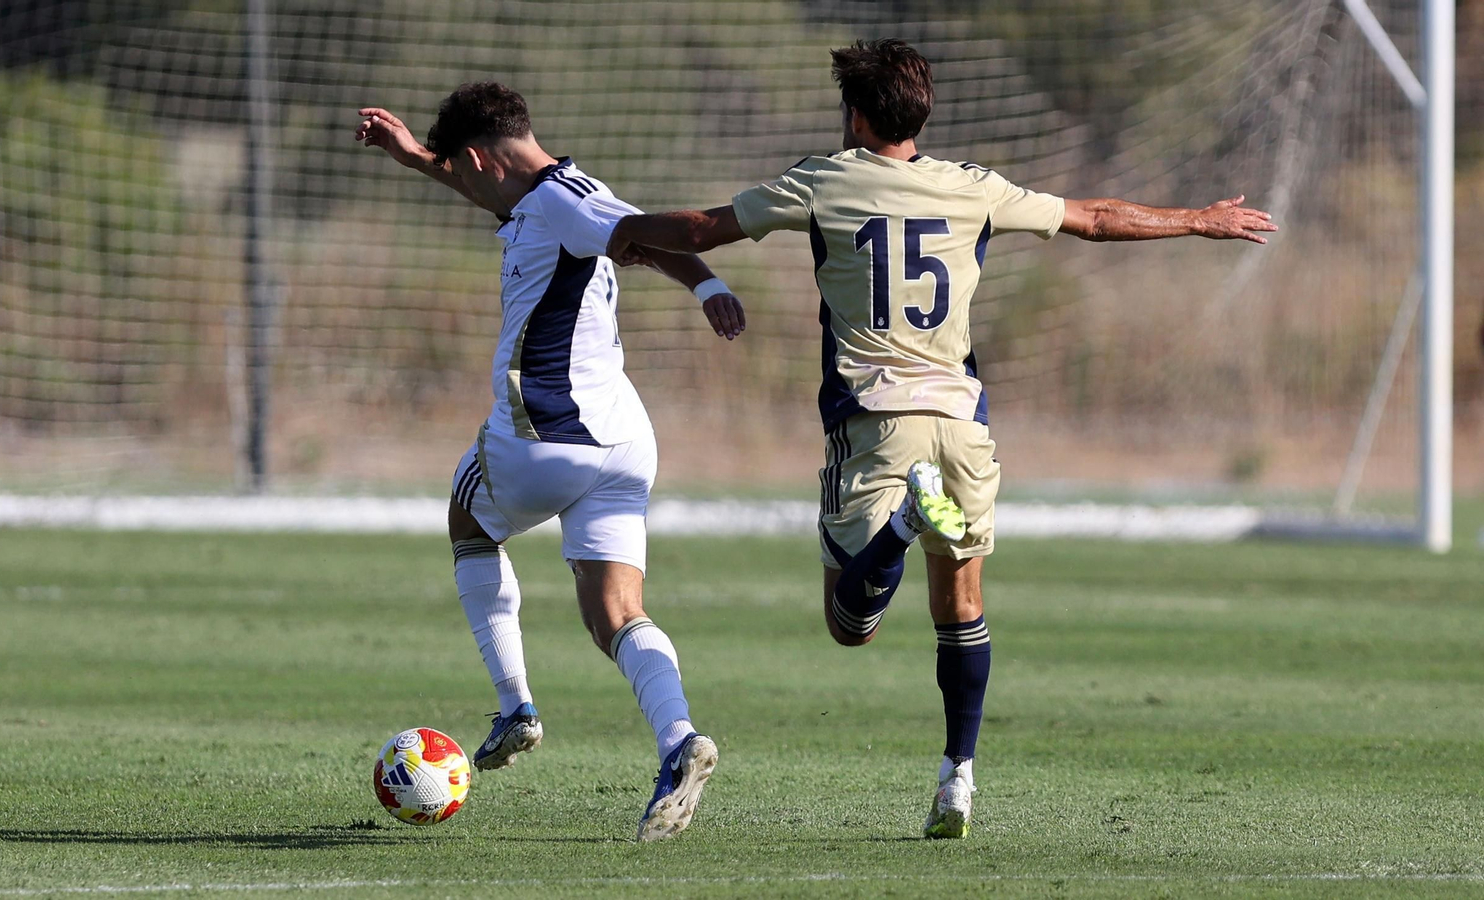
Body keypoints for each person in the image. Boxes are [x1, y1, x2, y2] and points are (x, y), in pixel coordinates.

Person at [604, 38, 1276, 840]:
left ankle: (899, 525)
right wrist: (1200, 220)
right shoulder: (974, 187)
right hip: (962, 423)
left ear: (857, 115)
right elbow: (1095, 219)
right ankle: (958, 777)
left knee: (850, 625)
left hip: (874, 422)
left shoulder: (824, 179)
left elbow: (703, 228)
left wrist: (622, 228)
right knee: (961, 608)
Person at [355, 81, 746, 841]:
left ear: (479, 158)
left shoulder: (561, 203)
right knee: (617, 615)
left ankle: (515, 707)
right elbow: (638, 238)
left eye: (458, 169)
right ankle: (679, 741)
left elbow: (678, 229)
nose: (462, 183)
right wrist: (708, 285)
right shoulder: (569, 192)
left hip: (544, 436)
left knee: (468, 519)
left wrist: (749, 220)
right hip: (624, 443)